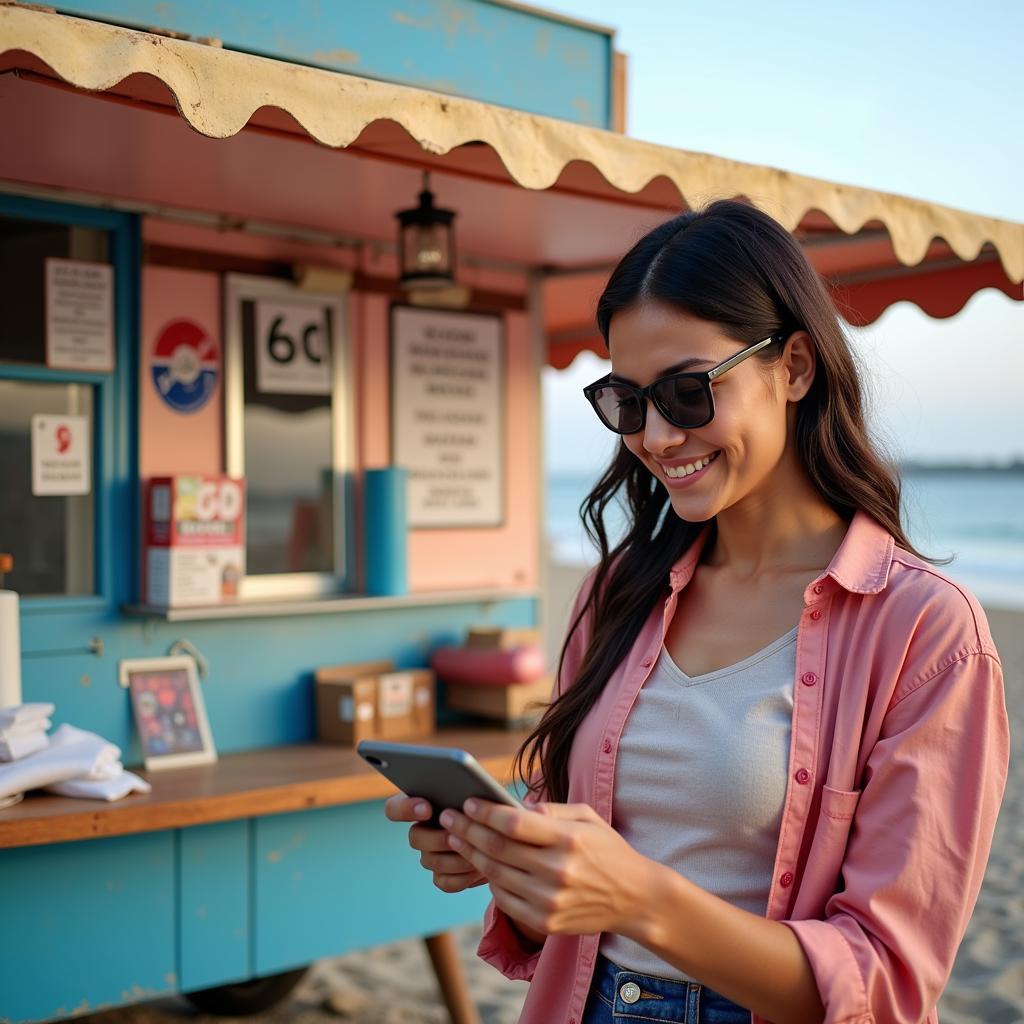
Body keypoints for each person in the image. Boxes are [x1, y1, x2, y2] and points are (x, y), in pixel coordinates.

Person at [385, 199, 1009, 1024]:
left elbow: (887, 983)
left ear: (793, 366)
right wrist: (513, 864)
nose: (656, 437)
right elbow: (571, 906)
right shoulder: (617, 594)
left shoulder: (927, 633)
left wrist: (643, 900)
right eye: (627, 402)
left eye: (686, 391)